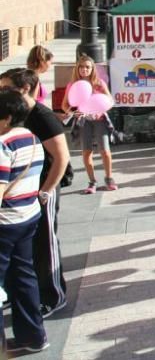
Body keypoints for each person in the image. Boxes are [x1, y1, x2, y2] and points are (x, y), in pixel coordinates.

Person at [0, 69, 70, 318]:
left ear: (25, 88)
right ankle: (22, 294)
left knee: (45, 242)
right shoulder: (15, 114)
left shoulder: (42, 116)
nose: (2, 92)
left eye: (7, 88)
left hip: (43, 188)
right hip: (21, 192)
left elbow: (62, 158)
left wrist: (46, 191)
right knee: (25, 248)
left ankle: (53, 295)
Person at [0, 90, 49, 354]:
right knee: (24, 276)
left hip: (5, 223)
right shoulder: (32, 138)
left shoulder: (3, 145)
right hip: (28, 216)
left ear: (6, 118)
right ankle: (33, 336)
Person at [62, 55, 116, 194]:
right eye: (81, 67)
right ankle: (92, 182)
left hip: (99, 120)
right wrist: (75, 113)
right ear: (77, 68)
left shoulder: (99, 83)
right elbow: (65, 105)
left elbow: (110, 100)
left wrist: (101, 110)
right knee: (86, 152)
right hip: (83, 121)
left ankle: (109, 178)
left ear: (92, 69)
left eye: (87, 67)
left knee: (105, 150)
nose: (84, 69)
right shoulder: (73, 85)